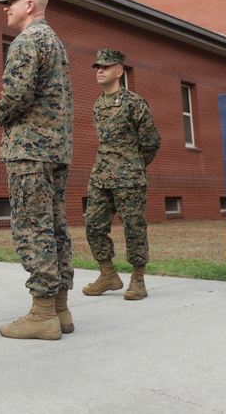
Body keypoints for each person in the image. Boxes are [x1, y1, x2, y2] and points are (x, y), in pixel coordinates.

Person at [0, 0, 74, 341]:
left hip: (30, 151)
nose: (6, 7)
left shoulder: (27, 41)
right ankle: (60, 309)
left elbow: (18, 93)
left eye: (13, 2)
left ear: (31, 6)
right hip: (55, 150)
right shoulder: (54, 40)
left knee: (32, 227)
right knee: (54, 227)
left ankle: (41, 314)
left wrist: (0, 114)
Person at [82, 49, 161, 301]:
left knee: (134, 229)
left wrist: (134, 165)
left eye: (105, 67)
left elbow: (151, 142)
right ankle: (108, 274)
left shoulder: (134, 103)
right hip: (101, 176)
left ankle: (138, 280)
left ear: (119, 72)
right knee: (93, 225)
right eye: (97, 67)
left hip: (129, 178)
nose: (100, 71)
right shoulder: (98, 105)